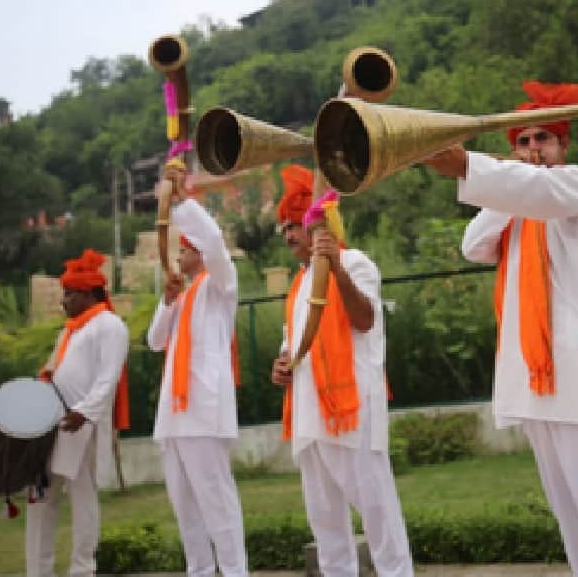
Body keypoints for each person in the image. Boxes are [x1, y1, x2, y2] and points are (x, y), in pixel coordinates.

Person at [422, 81, 578, 577]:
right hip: (532, 372)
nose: (533, 150)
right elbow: (474, 243)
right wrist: (507, 181)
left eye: (543, 140)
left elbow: (542, 192)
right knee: (571, 509)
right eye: (524, 142)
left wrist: (488, 172)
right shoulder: (513, 208)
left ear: (563, 146)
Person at [269, 164, 414, 577]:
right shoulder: (298, 284)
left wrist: (336, 269)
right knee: (326, 521)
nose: (289, 236)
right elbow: (293, 341)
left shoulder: (356, 262)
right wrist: (281, 365)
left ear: (319, 227)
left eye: (294, 225)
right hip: (309, 413)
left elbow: (365, 319)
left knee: (376, 510)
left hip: (352, 410)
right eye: (284, 230)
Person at [146, 164, 248, 577]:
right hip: (174, 415)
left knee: (216, 502)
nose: (181, 255)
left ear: (199, 253)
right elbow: (155, 340)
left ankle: (235, 572)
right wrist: (167, 300)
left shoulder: (222, 285)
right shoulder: (185, 296)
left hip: (204, 411)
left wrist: (180, 201)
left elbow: (213, 240)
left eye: (185, 249)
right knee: (186, 508)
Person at [25, 249, 130, 577]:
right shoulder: (70, 330)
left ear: (87, 294)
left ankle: (83, 569)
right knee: (40, 500)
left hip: (81, 426)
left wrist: (84, 413)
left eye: (69, 294)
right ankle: (38, 571)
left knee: (83, 498)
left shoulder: (110, 325)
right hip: (53, 425)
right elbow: (55, 371)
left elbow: (107, 378)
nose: (63, 301)